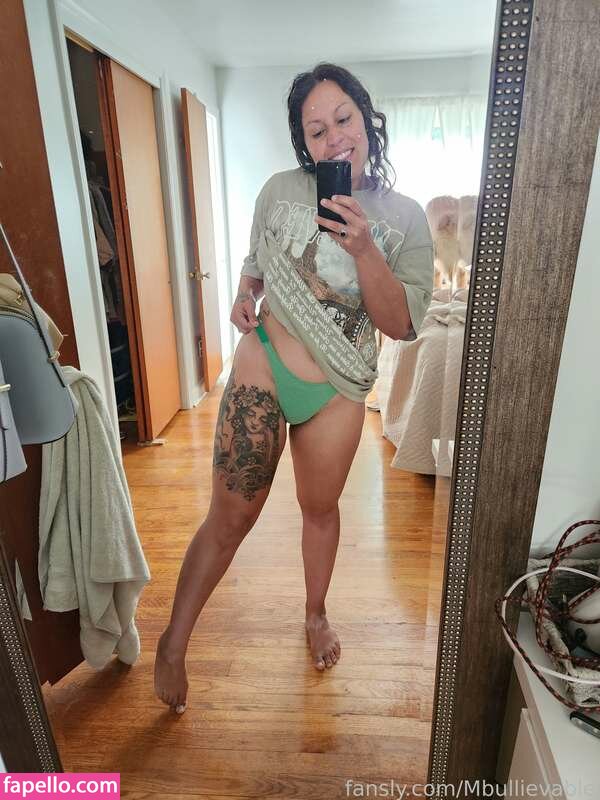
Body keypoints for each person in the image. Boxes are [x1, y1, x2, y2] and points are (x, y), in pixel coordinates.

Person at [154, 62, 434, 713]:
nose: (334, 138)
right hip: (266, 361)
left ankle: (315, 613)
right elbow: (256, 268)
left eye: (343, 119)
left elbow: (402, 324)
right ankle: (174, 641)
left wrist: (365, 249)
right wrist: (241, 296)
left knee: (319, 509)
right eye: (316, 130)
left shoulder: (406, 218)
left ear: (366, 119)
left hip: (337, 390)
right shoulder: (280, 190)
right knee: (231, 515)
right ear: (303, 143)